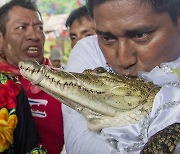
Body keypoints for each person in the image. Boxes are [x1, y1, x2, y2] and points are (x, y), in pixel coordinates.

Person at [63, 0, 180, 154]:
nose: (124, 60)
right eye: (107, 38)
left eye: (140, 35)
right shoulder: (88, 49)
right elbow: (80, 145)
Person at [0, 0, 64, 153]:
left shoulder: (65, 84)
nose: (34, 35)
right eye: (22, 27)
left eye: (39, 27)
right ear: (1, 39)